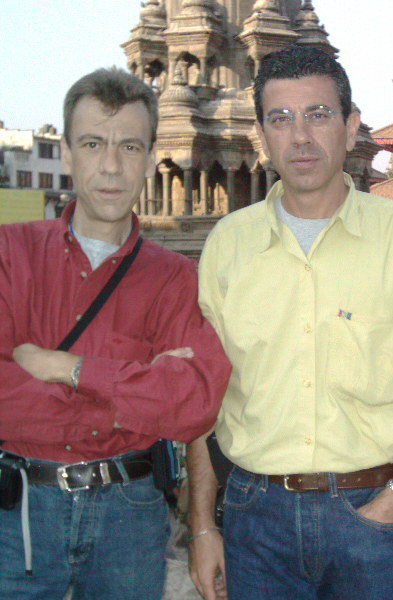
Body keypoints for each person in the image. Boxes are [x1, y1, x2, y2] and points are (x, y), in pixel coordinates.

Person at [187, 46, 393, 600]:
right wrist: (203, 524)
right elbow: (202, 399)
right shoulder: (227, 245)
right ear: (262, 135)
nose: (300, 136)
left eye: (319, 114)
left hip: (373, 514)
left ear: (351, 128)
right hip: (254, 516)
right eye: (281, 119)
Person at [0, 68, 231, 599]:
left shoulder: (175, 276)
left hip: (128, 513)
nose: (110, 165)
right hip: (21, 512)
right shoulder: (11, 255)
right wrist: (140, 389)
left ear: (151, 159)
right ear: (66, 153)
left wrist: (67, 368)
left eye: (129, 146)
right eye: (92, 143)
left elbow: (194, 404)